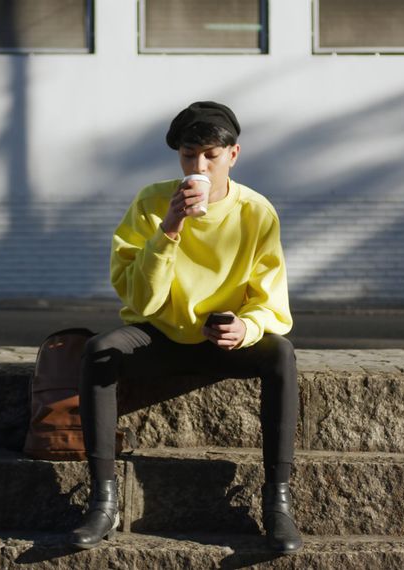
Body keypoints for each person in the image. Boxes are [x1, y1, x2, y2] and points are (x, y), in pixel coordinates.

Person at [69, 101, 301, 554]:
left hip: (223, 341)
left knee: (281, 355)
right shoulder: (152, 202)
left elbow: (273, 306)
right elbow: (140, 300)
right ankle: (103, 500)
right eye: (189, 155)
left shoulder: (256, 212)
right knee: (100, 349)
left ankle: (277, 501)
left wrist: (245, 329)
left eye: (210, 155)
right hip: (161, 333)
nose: (199, 166)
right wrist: (169, 228)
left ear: (233, 155)